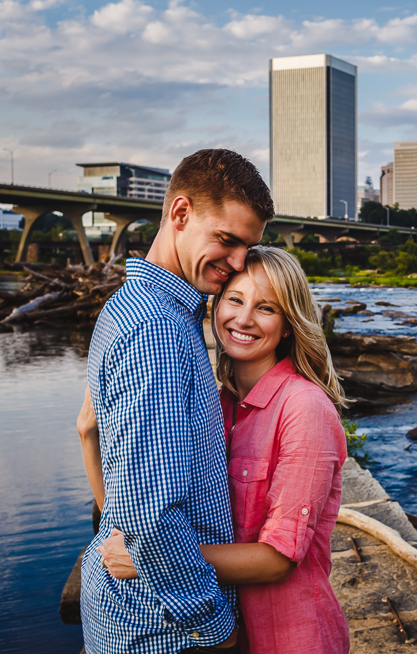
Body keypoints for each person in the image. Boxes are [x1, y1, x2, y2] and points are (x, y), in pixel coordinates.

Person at [88, 246, 351, 654]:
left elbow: (278, 559)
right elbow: (131, 515)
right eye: (234, 299)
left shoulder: (305, 408)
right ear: (214, 308)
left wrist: (150, 561)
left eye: (266, 308)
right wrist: (89, 435)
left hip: (287, 635)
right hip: (222, 628)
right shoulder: (218, 403)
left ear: (287, 325)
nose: (243, 319)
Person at [78, 149, 273, 654]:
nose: (236, 264)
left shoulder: (139, 306)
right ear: (180, 214)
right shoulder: (155, 332)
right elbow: (152, 511)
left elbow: (87, 427)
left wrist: (112, 525)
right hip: (166, 631)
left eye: (247, 249)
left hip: (141, 611)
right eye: (227, 241)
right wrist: (214, 627)